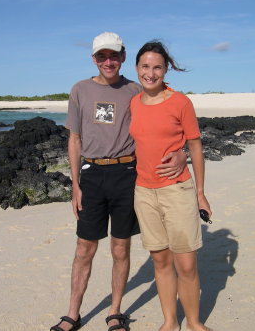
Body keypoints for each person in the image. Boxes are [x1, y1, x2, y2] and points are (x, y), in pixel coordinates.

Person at [51, 32, 187, 331]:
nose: (108, 61)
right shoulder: (80, 90)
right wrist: (75, 186)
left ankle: (115, 312)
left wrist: (182, 152)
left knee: (120, 249)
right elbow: (74, 140)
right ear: (94, 59)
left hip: (127, 175)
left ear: (123, 57)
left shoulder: (137, 89)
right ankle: (72, 314)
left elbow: (170, 119)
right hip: (92, 176)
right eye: (102, 56)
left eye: (113, 56)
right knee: (84, 249)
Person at [129, 40, 214, 331]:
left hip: (177, 190)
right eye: (145, 66)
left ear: (166, 70)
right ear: (137, 68)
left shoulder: (180, 102)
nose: (150, 73)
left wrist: (200, 194)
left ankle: (194, 322)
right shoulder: (133, 102)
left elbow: (196, 145)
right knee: (161, 261)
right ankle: (170, 321)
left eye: (157, 67)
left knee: (186, 264)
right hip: (143, 191)